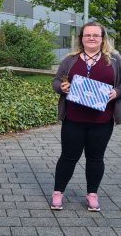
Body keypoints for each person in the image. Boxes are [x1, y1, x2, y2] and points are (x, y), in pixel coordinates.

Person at [51, 21, 121, 212]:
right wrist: (62, 87)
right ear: (81, 38)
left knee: (96, 159)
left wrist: (116, 92)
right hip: (74, 119)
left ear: (102, 38)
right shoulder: (70, 60)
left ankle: (92, 195)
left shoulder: (115, 60)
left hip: (102, 121)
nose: (91, 38)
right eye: (87, 35)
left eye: (95, 35)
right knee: (68, 157)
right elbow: (56, 81)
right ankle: (58, 193)